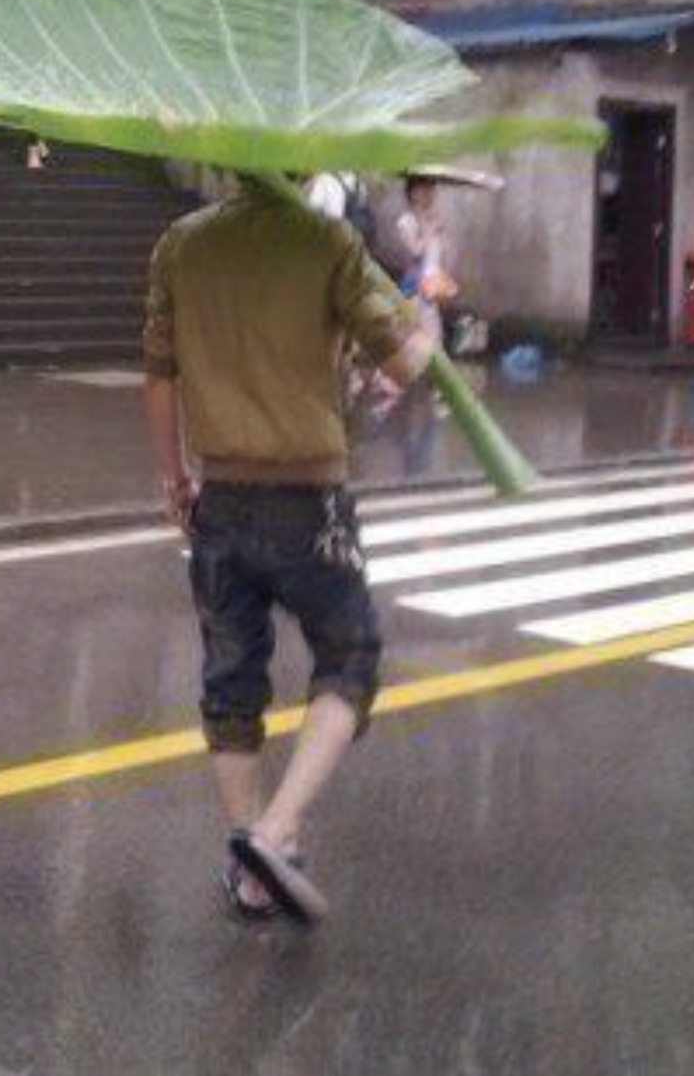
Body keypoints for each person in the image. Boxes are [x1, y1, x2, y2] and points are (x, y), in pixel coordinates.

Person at [143, 175, 433, 925]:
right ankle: (275, 834)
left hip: (220, 496)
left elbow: (159, 371)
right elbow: (403, 363)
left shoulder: (184, 243)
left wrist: (175, 476)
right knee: (350, 654)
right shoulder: (327, 241)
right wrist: (425, 329)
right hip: (311, 503)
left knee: (231, 679)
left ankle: (248, 866)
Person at [394, 175, 458, 346]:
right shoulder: (406, 221)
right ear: (413, 193)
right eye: (425, 190)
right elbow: (415, 251)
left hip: (431, 287)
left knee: (432, 341)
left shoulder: (432, 220)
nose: (430, 195)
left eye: (432, 190)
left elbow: (442, 255)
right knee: (421, 342)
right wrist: (430, 232)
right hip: (415, 288)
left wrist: (443, 236)